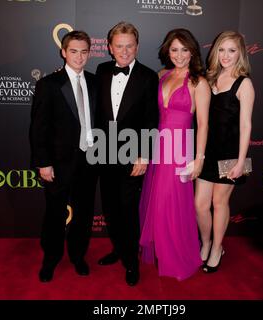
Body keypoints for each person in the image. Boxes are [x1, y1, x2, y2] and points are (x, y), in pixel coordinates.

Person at [139, 29, 210, 280]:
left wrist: (199, 158)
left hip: (181, 150)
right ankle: (162, 248)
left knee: (172, 202)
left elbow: (203, 124)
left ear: (192, 51)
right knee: (156, 200)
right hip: (160, 146)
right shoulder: (162, 75)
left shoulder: (198, 82)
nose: (179, 55)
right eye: (174, 50)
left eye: (184, 49)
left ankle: (177, 252)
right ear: (167, 51)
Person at [29, 30, 98, 282]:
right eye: (73, 51)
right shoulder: (48, 84)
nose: (79, 57)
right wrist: (43, 162)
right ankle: (51, 258)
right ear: (63, 52)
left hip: (89, 161)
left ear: (89, 53)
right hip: (57, 163)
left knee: (84, 213)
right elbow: (39, 128)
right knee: (55, 213)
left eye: (83, 51)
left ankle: (78, 256)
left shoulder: (94, 82)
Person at [95, 22, 159, 286]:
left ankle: (131, 261)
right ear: (110, 48)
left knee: (128, 209)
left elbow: (151, 119)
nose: (124, 51)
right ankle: (118, 249)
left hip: (133, 154)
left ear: (137, 46)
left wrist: (144, 155)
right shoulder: (100, 70)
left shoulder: (148, 76)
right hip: (103, 152)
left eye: (129, 45)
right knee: (110, 207)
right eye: (119, 46)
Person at [195, 31, 255, 273]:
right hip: (207, 152)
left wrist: (241, 161)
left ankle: (217, 248)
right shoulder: (208, 79)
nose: (226, 55)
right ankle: (206, 242)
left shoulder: (244, 83)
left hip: (230, 155)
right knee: (199, 204)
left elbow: (246, 125)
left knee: (219, 203)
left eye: (232, 50)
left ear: (240, 53)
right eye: (222, 49)